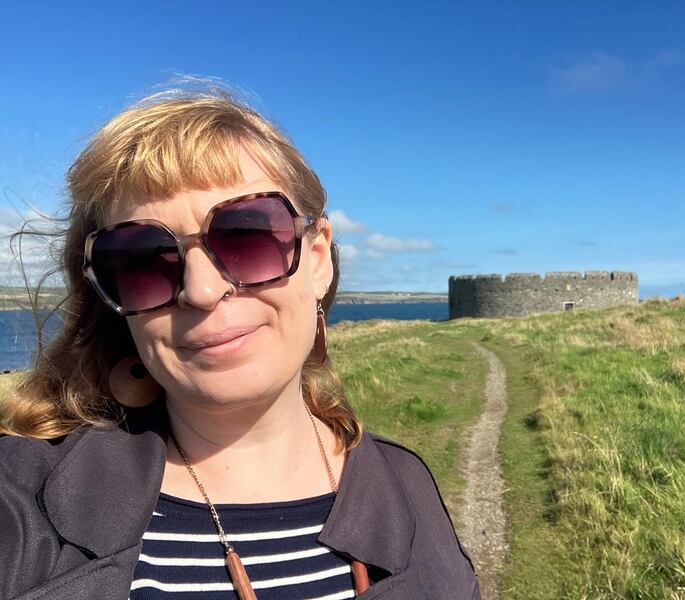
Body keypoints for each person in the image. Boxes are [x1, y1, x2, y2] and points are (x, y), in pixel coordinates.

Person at [0, 84, 480, 600]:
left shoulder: (409, 486)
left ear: (317, 258)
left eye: (245, 236)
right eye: (143, 260)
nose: (202, 291)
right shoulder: (21, 503)